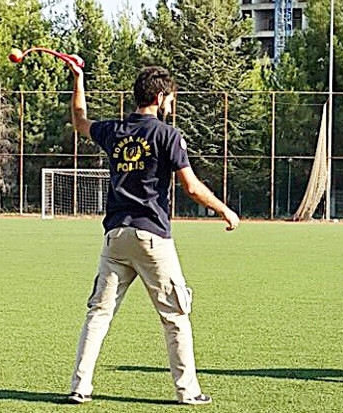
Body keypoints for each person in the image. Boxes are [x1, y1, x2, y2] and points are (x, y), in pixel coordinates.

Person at [64, 61, 240, 405]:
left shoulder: (114, 130)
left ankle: (79, 387)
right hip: (151, 237)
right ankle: (188, 392)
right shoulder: (166, 134)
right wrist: (224, 209)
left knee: (98, 315)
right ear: (160, 97)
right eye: (170, 98)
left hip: (115, 237)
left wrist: (79, 80)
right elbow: (190, 186)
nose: (170, 104)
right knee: (175, 316)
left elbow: (80, 121)